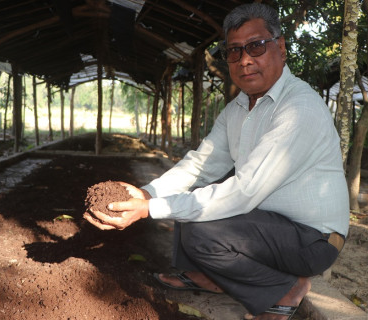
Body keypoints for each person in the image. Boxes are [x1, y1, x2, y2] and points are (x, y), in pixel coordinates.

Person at [85, 3, 349, 319]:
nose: (246, 59)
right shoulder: (238, 108)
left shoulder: (298, 109)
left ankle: (284, 288)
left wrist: (150, 210)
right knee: (196, 192)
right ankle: (209, 277)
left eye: (256, 46)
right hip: (272, 226)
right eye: (235, 51)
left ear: (280, 48)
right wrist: (146, 194)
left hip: (312, 239)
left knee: (200, 227)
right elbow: (200, 164)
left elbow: (244, 191)